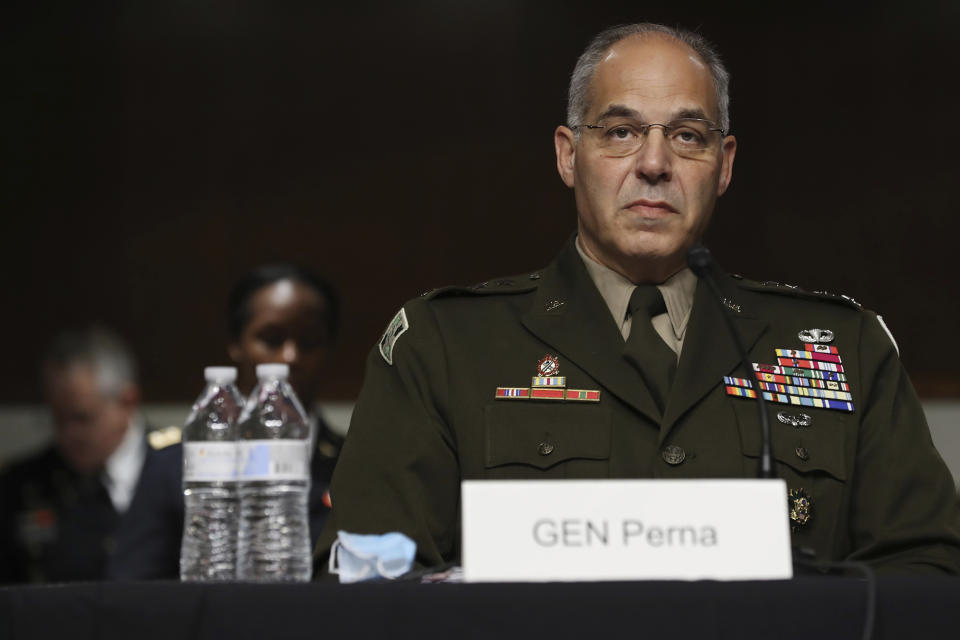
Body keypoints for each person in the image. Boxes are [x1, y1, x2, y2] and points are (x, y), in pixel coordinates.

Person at [315, 23, 960, 574]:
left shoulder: (841, 347)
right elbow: (365, 582)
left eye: (688, 136)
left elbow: (927, 571)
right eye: (620, 131)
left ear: (725, 164)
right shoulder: (444, 346)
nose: (654, 163)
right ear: (570, 156)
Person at [108, 263, 343, 579]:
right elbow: (130, 591)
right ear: (236, 343)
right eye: (271, 339)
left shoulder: (354, 464)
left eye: (310, 341)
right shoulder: (173, 465)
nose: (291, 356)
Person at [0, 327, 156, 583]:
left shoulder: (177, 468)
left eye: (82, 418)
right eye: (58, 419)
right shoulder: (21, 486)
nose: (67, 433)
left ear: (127, 402)